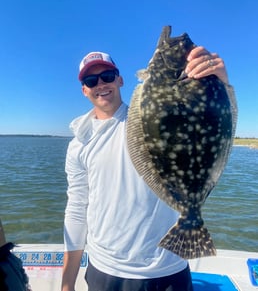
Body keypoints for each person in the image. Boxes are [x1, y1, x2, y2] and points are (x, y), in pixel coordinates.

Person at [61, 47, 237, 291]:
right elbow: (77, 209)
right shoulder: (78, 143)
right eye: (91, 80)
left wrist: (218, 83)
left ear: (120, 80)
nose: (101, 84)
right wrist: (67, 282)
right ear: (84, 90)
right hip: (106, 268)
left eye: (108, 77)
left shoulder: (151, 117)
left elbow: (205, 121)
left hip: (168, 265)